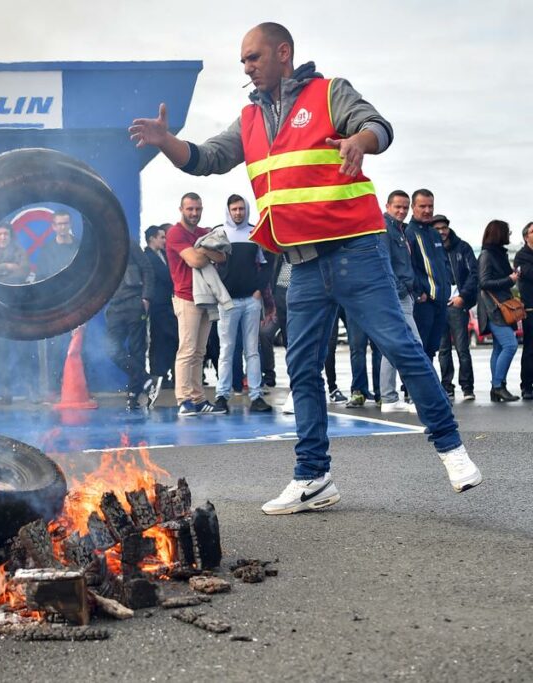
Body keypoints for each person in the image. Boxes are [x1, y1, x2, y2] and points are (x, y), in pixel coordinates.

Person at [130, 21, 481, 513]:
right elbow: (208, 157)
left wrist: (361, 140)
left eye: (253, 57)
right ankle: (313, 477)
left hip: (356, 252)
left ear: (283, 53)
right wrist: (168, 141)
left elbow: (378, 125)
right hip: (303, 267)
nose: (247, 67)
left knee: (400, 347)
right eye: (243, 61)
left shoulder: (328, 92)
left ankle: (451, 448)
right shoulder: (249, 119)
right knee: (302, 370)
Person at [166, 193, 226, 416]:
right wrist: (204, 251)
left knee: (200, 351)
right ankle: (184, 400)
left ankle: (198, 399)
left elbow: (222, 257)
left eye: (198, 209)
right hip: (185, 297)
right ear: (181, 209)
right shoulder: (175, 233)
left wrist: (201, 248)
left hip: (205, 297)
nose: (194, 213)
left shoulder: (203, 233)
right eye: (190, 209)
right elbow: (195, 260)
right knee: (188, 349)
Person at [213, 194, 272, 413]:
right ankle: (222, 396)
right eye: (234, 209)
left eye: (241, 209)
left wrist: (259, 289)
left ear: (246, 209)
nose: (238, 212)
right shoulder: (219, 233)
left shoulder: (254, 232)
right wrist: (218, 293)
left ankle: (256, 396)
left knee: (252, 351)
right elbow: (207, 262)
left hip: (251, 301)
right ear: (228, 210)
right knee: (226, 350)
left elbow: (267, 263)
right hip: (227, 302)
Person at [0, 224, 38, 404]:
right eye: (0, 234)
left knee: (24, 352)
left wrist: (2, 274)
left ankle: (30, 390)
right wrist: (6, 266)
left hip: (18, 310)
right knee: (1, 353)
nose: (3, 237)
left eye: (6, 234)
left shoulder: (19, 251)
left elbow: (24, 270)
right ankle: (5, 392)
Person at [105, 239, 160, 410]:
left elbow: (147, 269)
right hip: (114, 306)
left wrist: (146, 297)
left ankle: (133, 395)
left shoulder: (129, 244)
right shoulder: (99, 247)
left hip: (134, 303)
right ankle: (148, 380)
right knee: (111, 349)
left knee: (137, 350)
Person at [378, 190, 420, 413]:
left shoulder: (400, 230)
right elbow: (385, 262)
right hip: (397, 295)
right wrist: (402, 289)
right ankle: (414, 398)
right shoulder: (386, 229)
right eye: (398, 207)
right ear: (388, 206)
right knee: (414, 345)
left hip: (404, 294)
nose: (402, 211)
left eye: (405, 207)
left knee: (392, 347)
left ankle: (389, 398)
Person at [434, 215, 478, 401]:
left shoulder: (463, 247)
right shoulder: (430, 248)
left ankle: (467, 387)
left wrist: (463, 296)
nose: (442, 232)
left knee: (462, 348)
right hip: (438, 305)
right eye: (437, 229)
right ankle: (447, 386)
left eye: (444, 228)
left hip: (457, 304)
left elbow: (474, 274)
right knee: (443, 349)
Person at [37, 210, 80, 398]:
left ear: (70, 224)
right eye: (59, 224)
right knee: (55, 349)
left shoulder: (78, 247)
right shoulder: (46, 250)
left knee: (79, 348)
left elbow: (85, 275)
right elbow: (41, 278)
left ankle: (79, 387)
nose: (63, 227)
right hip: (55, 307)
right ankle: (54, 390)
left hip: (78, 305)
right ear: (53, 227)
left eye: (65, 223)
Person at [476, 220, 520, 402]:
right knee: (510, 345)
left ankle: (497, 387)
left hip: (500, 307)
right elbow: (484, 282)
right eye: (508, 232)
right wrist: (510, 279)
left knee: (499, 347)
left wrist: (512, 276)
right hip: (493, 308)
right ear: (499, 233)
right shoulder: (487, 254)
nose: (509, 235)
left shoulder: (499, 254)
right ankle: (497, 386)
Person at [406, 189, 451, 362]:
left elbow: (443, 262)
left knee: (432, 349)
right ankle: (411, 389)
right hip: (424, 302)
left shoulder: (434, 233)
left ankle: (427, 388)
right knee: (419, 349)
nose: (427, 210)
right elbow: (408, 267)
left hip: (440, 301)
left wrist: (447, 287)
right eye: (422, 206)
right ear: (413, 207)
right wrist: (418, 292)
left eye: (430, 206)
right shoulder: (409, 233)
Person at [144, 225, 178, 387]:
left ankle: (166, 372)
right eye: (162, 237)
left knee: (169, 339)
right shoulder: (147, 257)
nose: (165, 241)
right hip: (157, 304)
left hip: (168, 303)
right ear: (152, 238)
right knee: (159, 339)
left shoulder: (164, 255)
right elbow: (166, 276)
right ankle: (158, 373)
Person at [514, 221, 533, 400]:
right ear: (526, 236)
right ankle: (527, 385)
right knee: (530, 349)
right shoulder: (521, 256)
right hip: (530, 308)